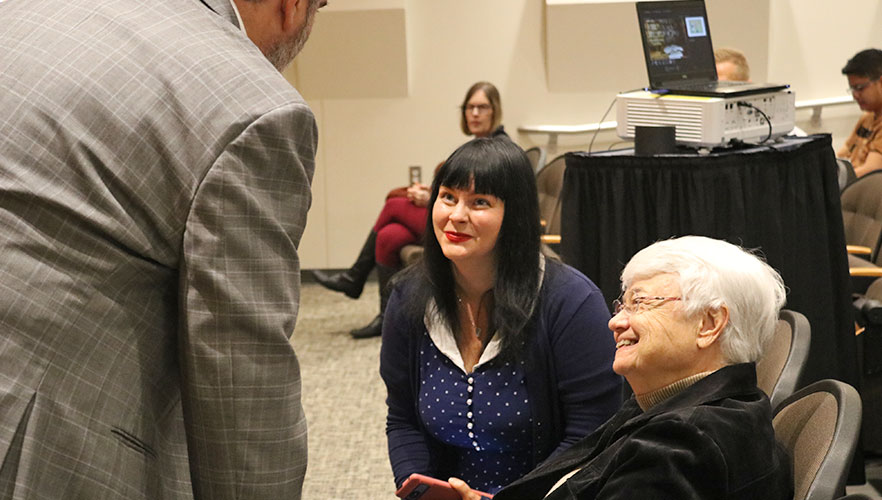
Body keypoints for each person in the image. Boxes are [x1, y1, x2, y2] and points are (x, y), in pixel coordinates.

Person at [0, 0, 324, 498]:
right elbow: (243, 402)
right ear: (294, 6)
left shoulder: (24, 10)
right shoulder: (252, 105)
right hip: (38, 451)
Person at [449, 236, 794, 500]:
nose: (616, 321)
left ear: (709, 323)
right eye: (622, 304)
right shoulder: (674, 407)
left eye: (640, 303)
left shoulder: (684, 442)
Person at [380, 137, 622, 494]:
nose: (456, 215)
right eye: (448, 197)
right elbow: (402, 420)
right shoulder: (408, 296)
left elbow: (591, 436)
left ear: (515, 216)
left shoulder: (572, 302)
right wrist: (422, 491)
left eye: (479, 202)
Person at [314, 81, 507, 339]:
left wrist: (430, 199)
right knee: (389, 236)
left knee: (394, 205)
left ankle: (354, 277)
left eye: (481, 107)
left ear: (494, 110)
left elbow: (480, 201)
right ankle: (385, 317)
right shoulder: (472, 147)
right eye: (469, 107)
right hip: (455, 215)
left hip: (471, 223)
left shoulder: (502, 150)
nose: (474, 114)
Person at [839, 49, 882, 177]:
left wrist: (832, 183)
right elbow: (841, 156)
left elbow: (872, 171)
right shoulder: (867, 118)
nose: (855, 95)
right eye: (852, 89)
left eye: (860, 88)